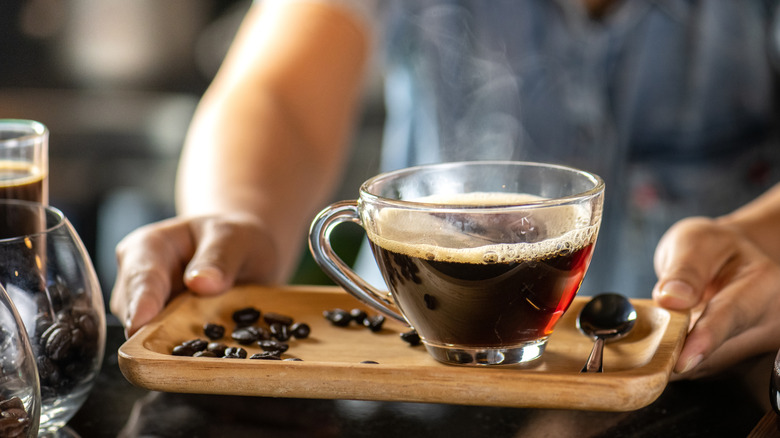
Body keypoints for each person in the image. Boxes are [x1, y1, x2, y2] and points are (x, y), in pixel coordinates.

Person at [111, 0, 780, 379]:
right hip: (419, 390)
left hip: (715, 384)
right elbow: (277, 94)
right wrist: (238, 214)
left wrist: (759, 238)